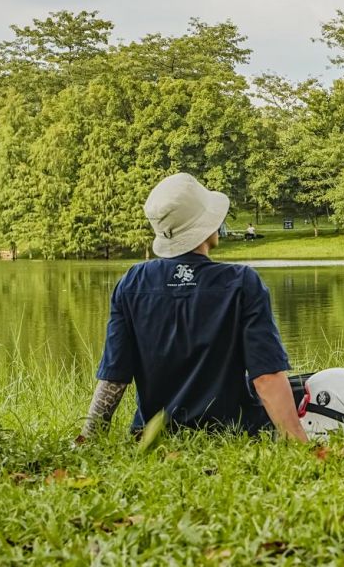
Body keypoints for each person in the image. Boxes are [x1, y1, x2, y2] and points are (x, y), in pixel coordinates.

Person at [78, 173, 307, 443]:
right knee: (314, 385)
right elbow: (266, 377)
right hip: (229, 432)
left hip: (153, 435)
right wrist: (298, 443)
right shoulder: (241, 282)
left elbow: (114, 378)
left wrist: (88, 439)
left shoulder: (131, 283)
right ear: (205, 225)